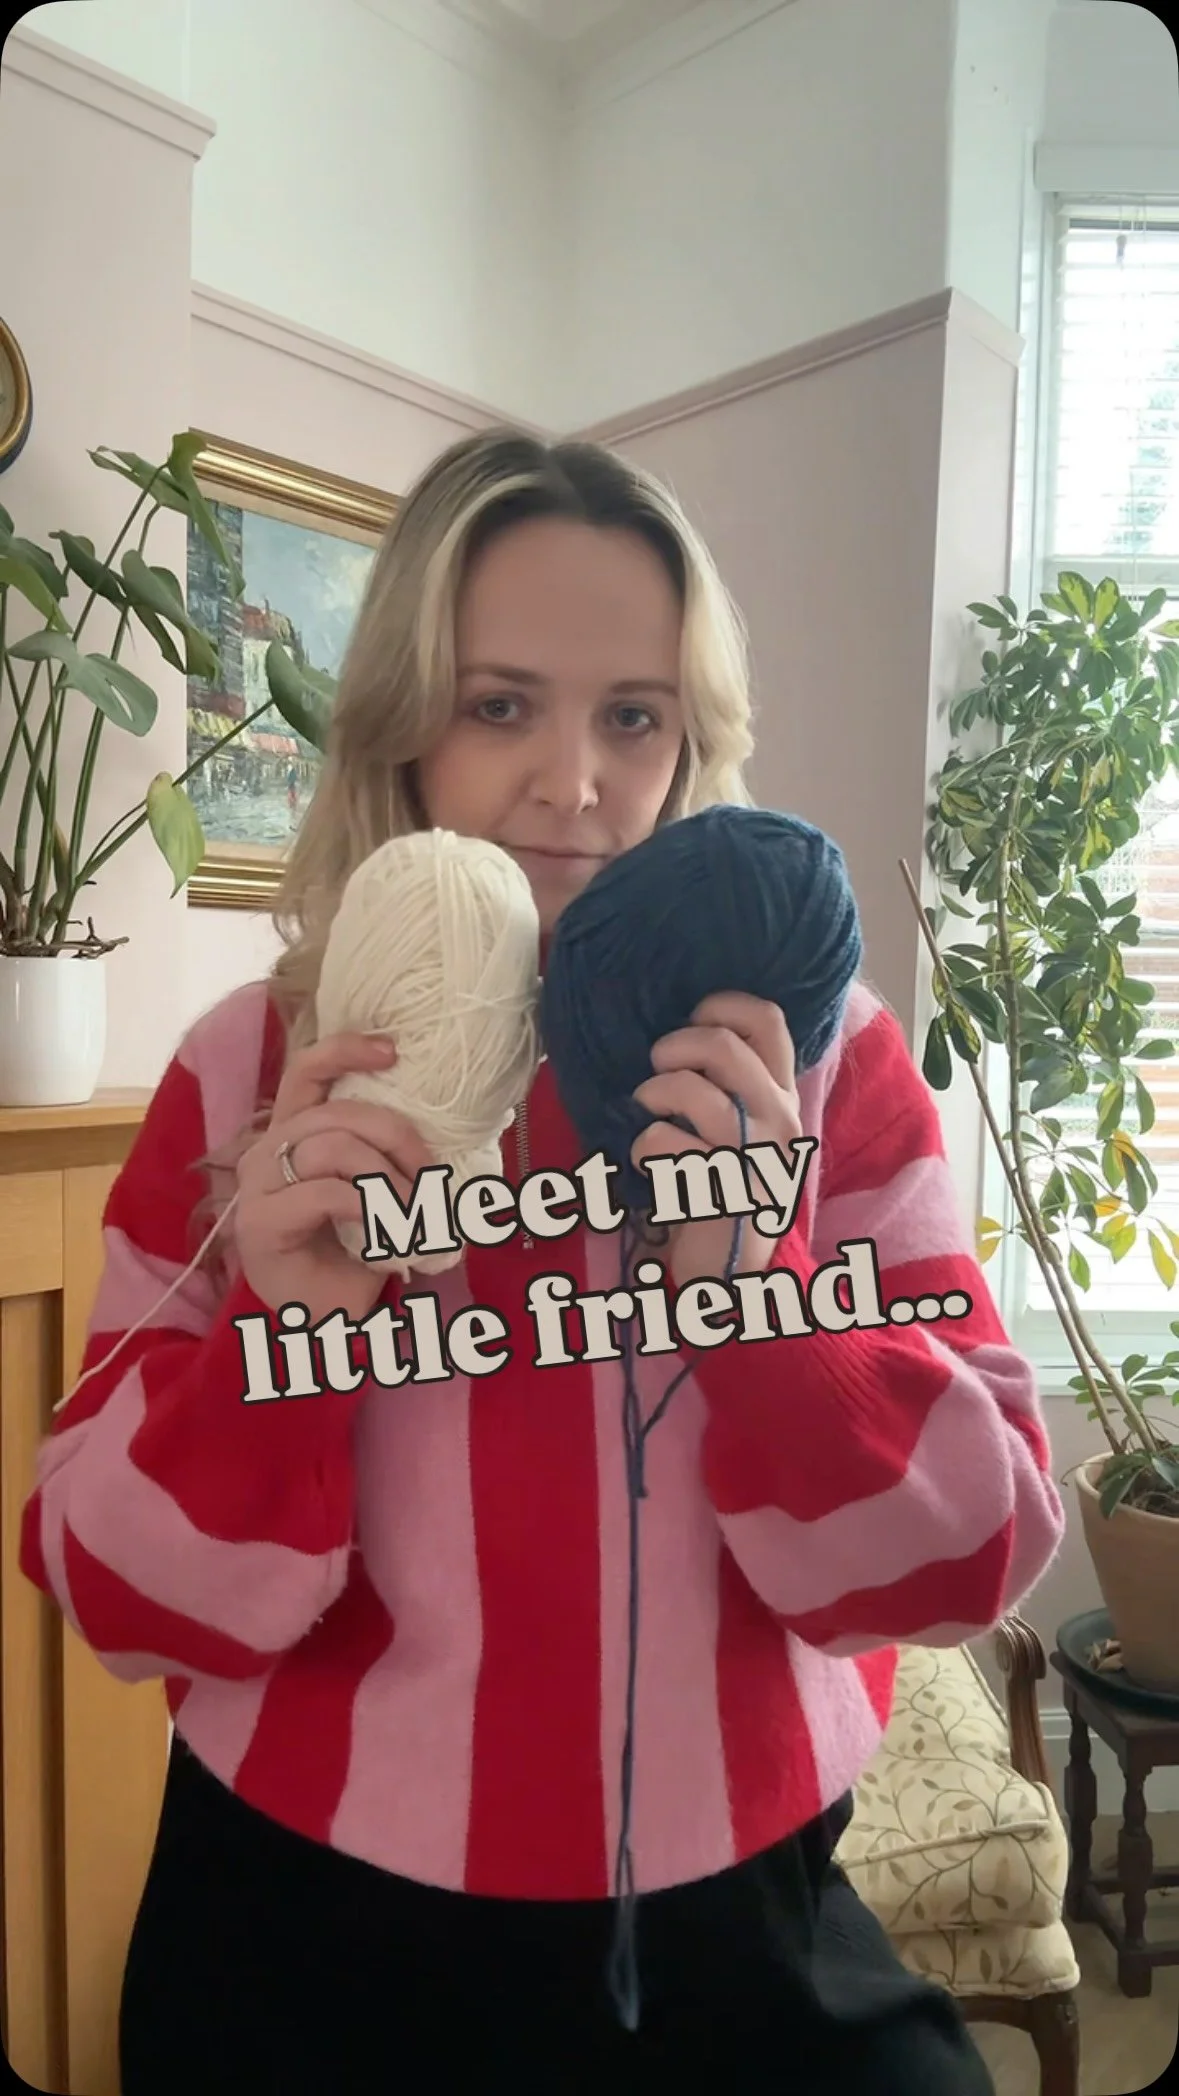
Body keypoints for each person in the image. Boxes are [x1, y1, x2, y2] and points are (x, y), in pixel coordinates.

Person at [20, 431, 1063, 2095]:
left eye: (631, 716)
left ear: (691, 740)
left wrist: (760, 1303)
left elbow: (969, 1561)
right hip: (300, 1924)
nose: (573, 781)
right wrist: (282, 1343)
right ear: (402, 724)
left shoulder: (824, 1065)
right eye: (500, 705)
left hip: (738, 1923)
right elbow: (105, 1588)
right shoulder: (247, 1071)